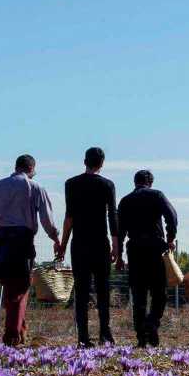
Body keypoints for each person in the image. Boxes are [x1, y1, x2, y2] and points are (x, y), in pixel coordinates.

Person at [0, 154, 60, 347]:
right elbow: (47, 219)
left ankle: (20, 331)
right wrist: (56, 240)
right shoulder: (35, 187)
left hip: (0, 240)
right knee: (20, 288)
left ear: (16, 167)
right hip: (22, 240)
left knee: (9, 286)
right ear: (31, 169)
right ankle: (12, 335)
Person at [56, 147, 118, 346]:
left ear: (85, 161)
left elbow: (69, 218)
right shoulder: (108, 185)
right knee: (103, 289)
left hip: (79, 243)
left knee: (81, 291)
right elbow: (112, 216)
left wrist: (63, 244)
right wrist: (116, 245)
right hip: (100, 241)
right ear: (102, 163)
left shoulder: (71, 184)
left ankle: (82, 336)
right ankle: (105, 333)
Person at [117, 169, 179, 347]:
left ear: (134, 182)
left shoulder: (126, 201)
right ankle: (152, 322)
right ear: (150, 182)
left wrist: (119, 255)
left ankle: (141, 338)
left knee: (138, 295)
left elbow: (120, 231)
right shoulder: (157, 195)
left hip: (135, 249)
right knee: (159, 292)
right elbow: (172, 216)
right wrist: (170, 238)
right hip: (155, 248)